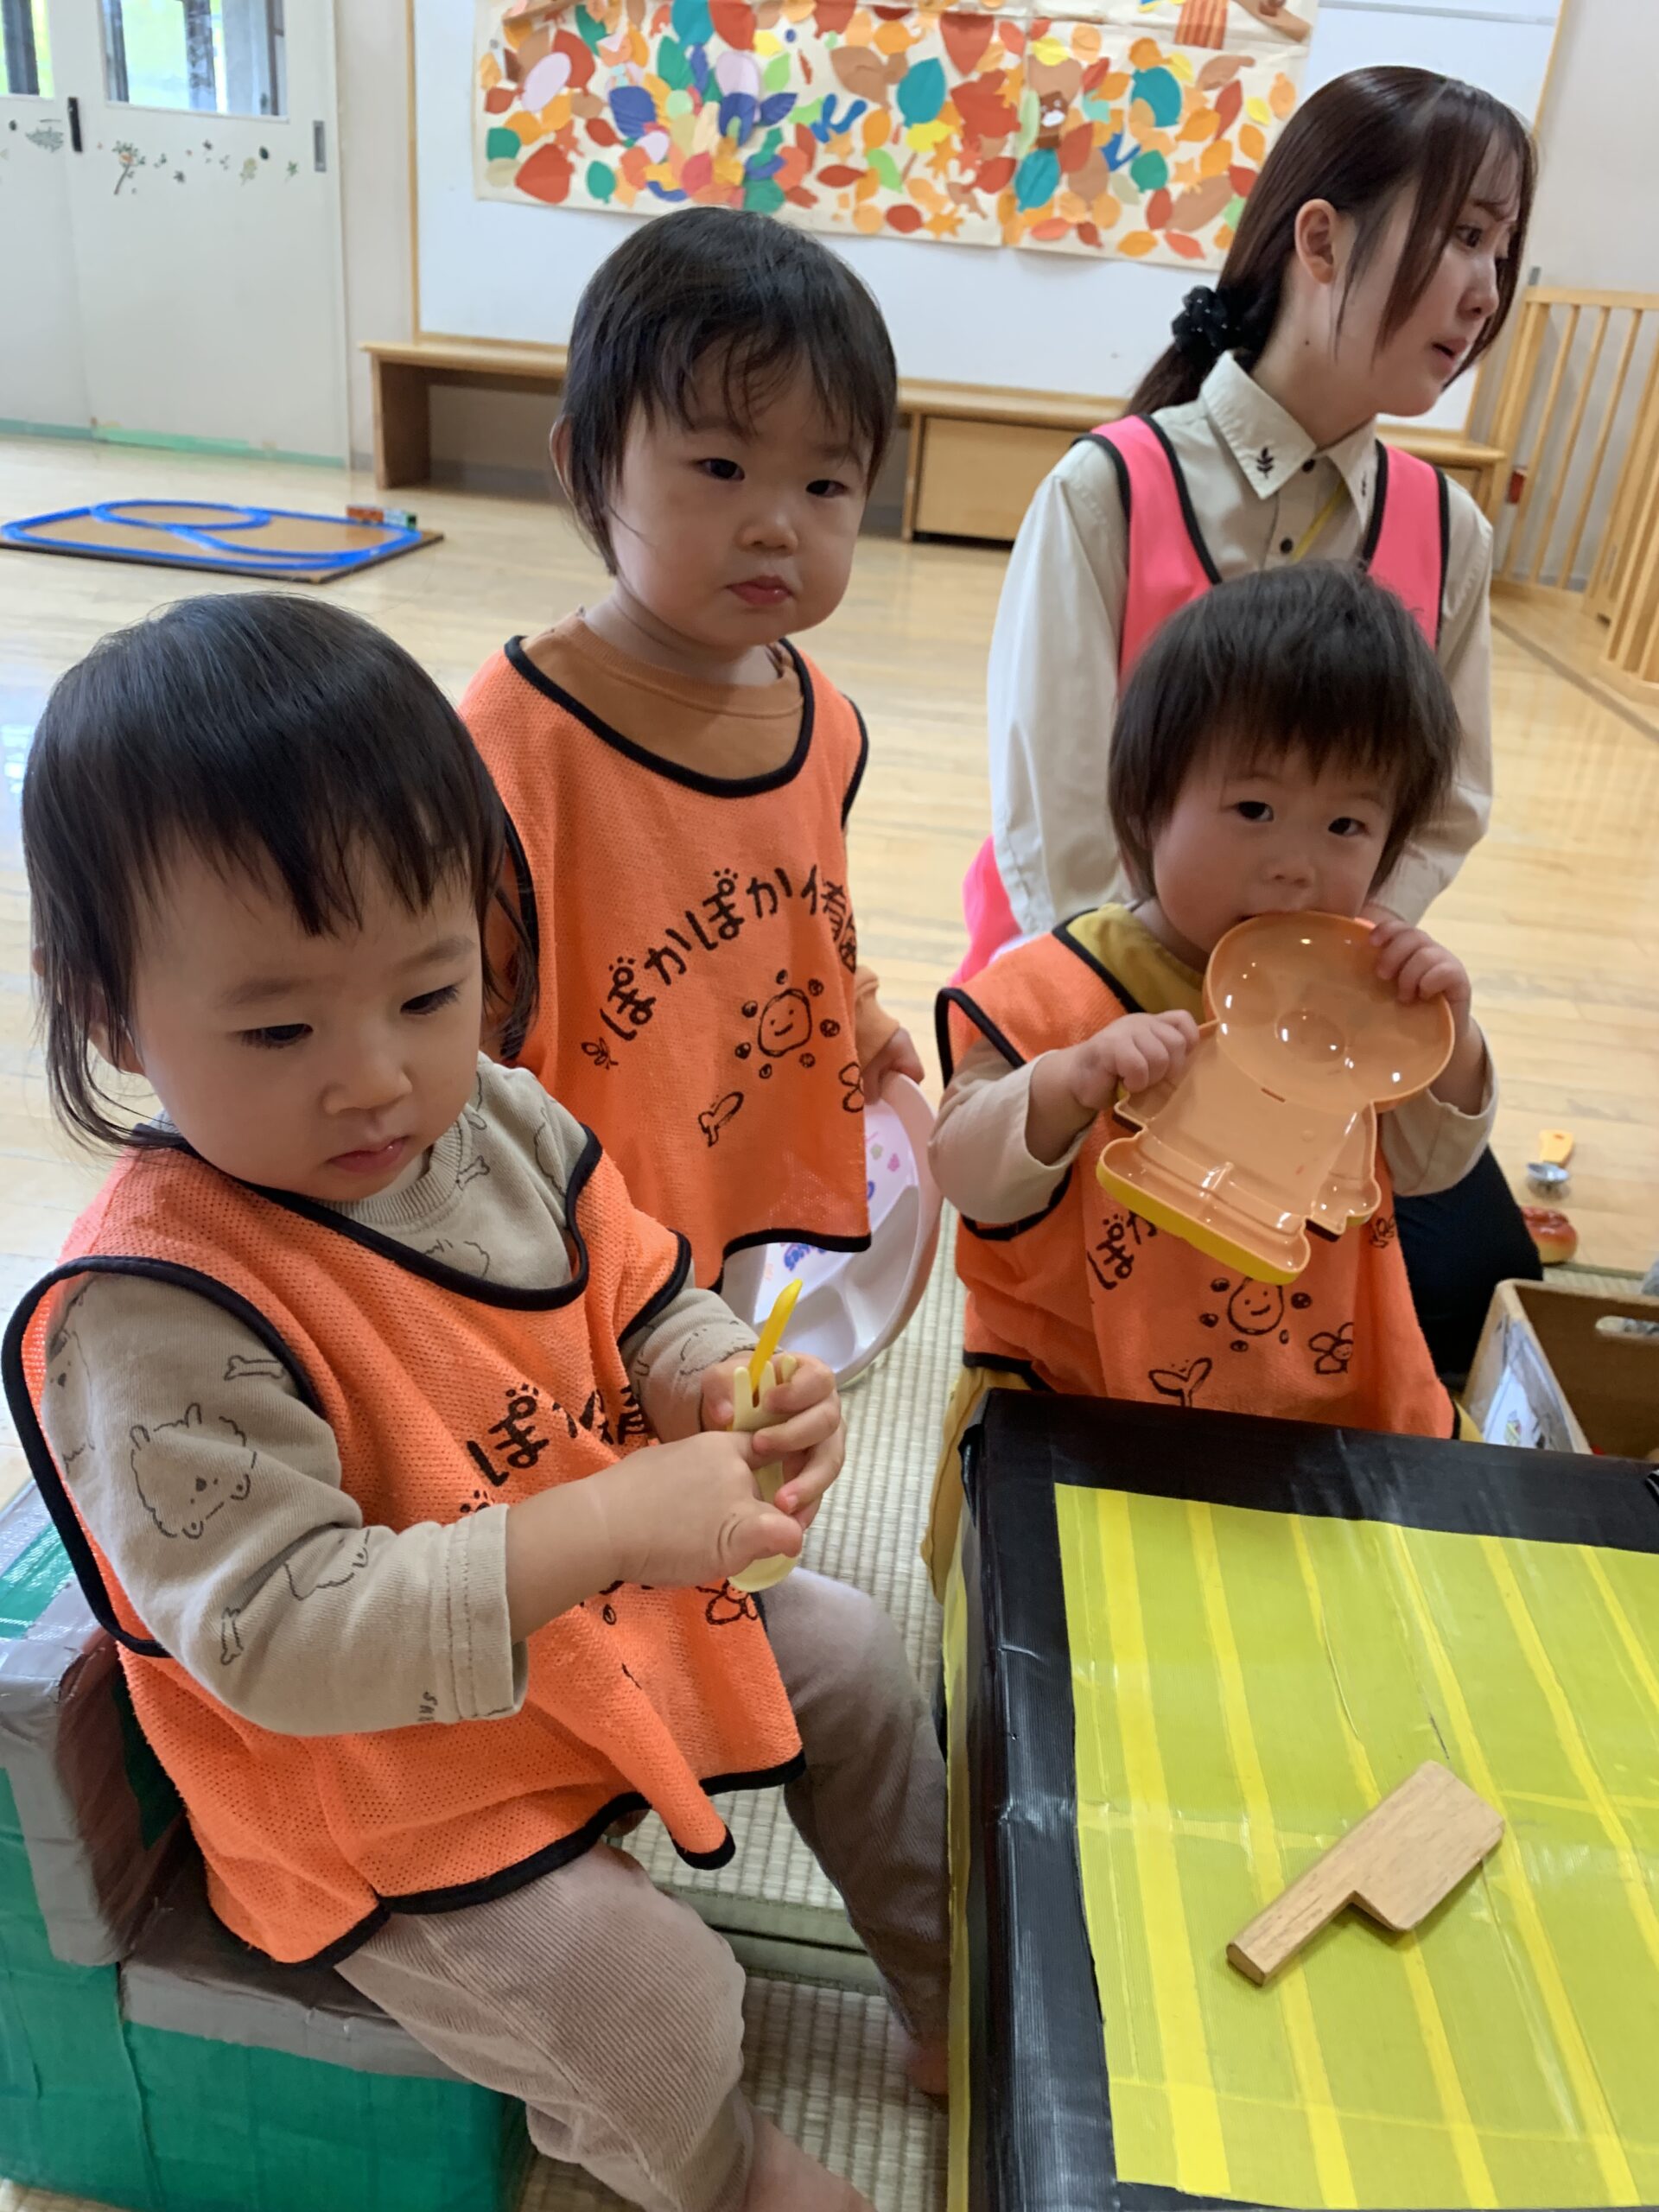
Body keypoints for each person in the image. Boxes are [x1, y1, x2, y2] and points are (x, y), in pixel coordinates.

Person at [10, 595, 947, 2212]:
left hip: (576, 1630)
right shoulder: (153, 1311)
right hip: (373, 1782)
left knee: (856, 1660)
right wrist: (612, 1525)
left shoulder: (496, 1122)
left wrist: (721, 1378)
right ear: (108, 1010)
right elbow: (285, 1640)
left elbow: (640, 1291)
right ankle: (715, 2174)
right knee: (638, 1993)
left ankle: (946, 1989)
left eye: (431, 994)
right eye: (280, 1025)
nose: (377, 1076)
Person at [963, 65, 1541, 1371]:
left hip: (1320, 1013)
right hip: (1099, 990)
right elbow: (1057, 825)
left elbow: (1445, 807)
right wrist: (1165, 1016)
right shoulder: (1112, 487)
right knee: (1125, 1290)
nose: (1483, 291)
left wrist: (1341, 986)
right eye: (1461, 234)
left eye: (1501, 249)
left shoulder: (1447, 531)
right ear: (1319, 240)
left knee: (1468, 1283)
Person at [925, 566, 1499, 1596]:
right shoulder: (1055, 990)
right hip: (1086, 1402)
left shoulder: (1360, 994)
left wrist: (1449, 1039)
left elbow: (1428, 1165)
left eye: (1346, 826)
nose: (1295, 865)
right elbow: (964, 1175)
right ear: (1150, 806)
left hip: (1324, 1398)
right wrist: (1065, 1083)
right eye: (1254, 807)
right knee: (1075, 1620)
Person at [463, 207, 922, 1313]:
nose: (776, 525)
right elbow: (448, 998)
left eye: (825, 486)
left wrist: (861, 1026)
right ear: (587, 467)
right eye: (721, 466)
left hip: (739, 1160)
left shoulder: (822, 718)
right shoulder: (518, 732)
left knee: (721, 1369)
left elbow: (804, 915)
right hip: (566, 1212)